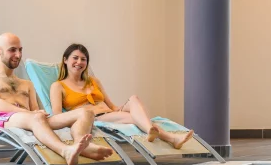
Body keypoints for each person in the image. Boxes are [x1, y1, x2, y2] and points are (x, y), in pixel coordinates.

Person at [0, 33, 113, 165]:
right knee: (36, 118)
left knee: (86, 112)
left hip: (32, 119)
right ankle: (65, 151)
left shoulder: (26, 84)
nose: (18, 55)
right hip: (1, 120)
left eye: (20, 50)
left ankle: (81, 144)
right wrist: (31, 114)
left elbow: (34, 109)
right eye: (12, 50)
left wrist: (36, 113)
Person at [50, 43, 194, 149]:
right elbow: (58, 116)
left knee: (134, 99)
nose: (79, 62)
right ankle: (170, 137)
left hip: (110, 112)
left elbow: (111, 105)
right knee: (136, 119)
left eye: (83, 59)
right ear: (65, 60)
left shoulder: (94, 81)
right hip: (97, 118)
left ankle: (153, 130)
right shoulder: (58, 86)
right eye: (75, 58)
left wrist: (121, 108)